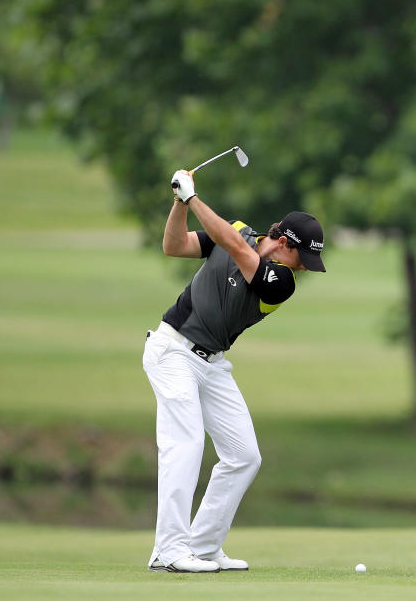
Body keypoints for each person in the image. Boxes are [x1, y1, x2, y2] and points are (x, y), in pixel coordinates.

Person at [143, 169, 325, 573]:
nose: (306, 268)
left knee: (244, 456)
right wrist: (178, 204)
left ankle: (204, 546)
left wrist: (192, 199)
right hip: (172, 351)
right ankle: (168, 551)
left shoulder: (281, 281)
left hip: (211, 364)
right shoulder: (239, 232)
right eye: (303, 257)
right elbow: (174, 245)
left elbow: (233, 246)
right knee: (185, 445)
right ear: (282, 242)